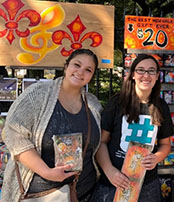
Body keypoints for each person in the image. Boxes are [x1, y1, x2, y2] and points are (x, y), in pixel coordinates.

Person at [1, 49, 103, 202]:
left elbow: (100, 143)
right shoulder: (37, 95)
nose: (80, 72)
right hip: (41, 193)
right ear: (66, 66)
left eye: (88, 70)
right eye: (77, 65)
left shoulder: (94, 105)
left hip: (83, 193)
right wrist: (46, 172)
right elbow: (13, 133)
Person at [91, 54, 173, 202]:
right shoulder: (117, 103)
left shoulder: (161, 106)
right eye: (141, 70)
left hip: (146, 183)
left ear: (157, 76)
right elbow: (101, 142)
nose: (146, 75)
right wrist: (110, 172)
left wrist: (156, 157)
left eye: (151, 71)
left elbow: (165, 144)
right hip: (114, 181)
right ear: (133, 75)